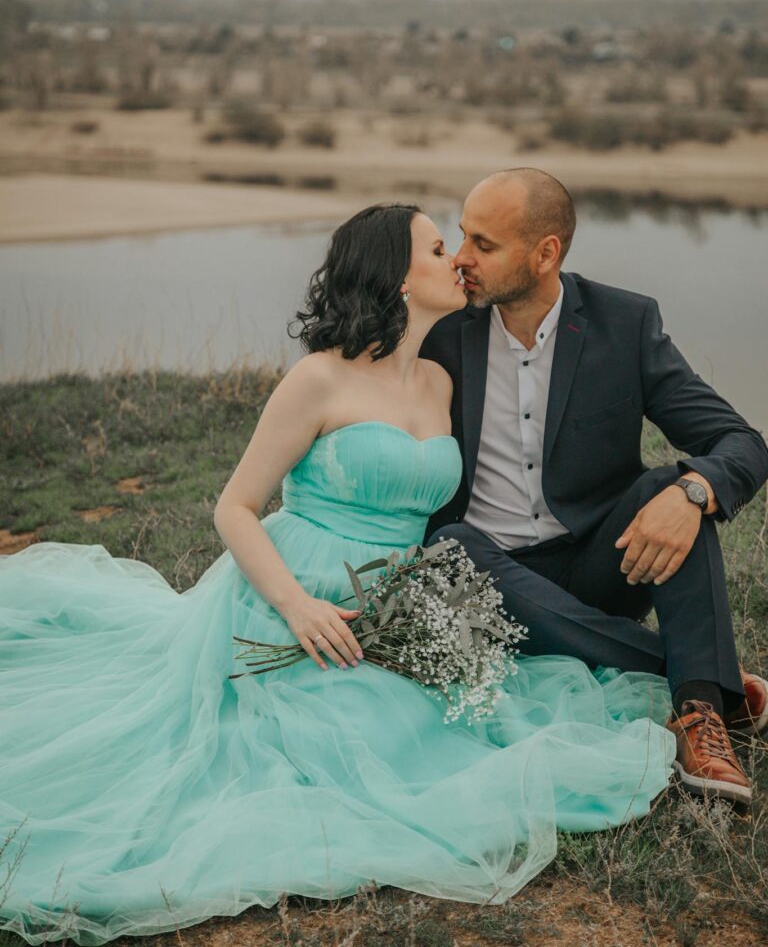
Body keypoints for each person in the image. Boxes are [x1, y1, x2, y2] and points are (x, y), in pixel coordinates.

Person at [0, 204, 676, 946]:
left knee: (467, 720)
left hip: (398, 594)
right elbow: (235, 508)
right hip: (300, 587)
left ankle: (691, 678)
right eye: (437, 246)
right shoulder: (318, 380)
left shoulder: (440, 384)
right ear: (395, 273)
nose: (456, 259)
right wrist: (295, 608)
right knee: (349, 744)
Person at [421, 169, 768, 807]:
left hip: (598, 566)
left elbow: (742, 443)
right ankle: (705, 682)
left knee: (674, 486)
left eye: (484, 244)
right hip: (488, 578)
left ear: (546, 252)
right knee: (451, 544)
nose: (462, 259)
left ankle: (699, 725)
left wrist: (692, 494)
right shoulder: (441, 334)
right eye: (462, 236)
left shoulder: (624, 324)